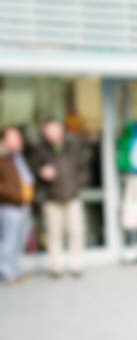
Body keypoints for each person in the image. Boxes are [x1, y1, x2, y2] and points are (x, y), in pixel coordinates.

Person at [29, 118, 88, 278]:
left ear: (61, 130)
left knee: (76, 233)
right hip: (52, 199)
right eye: (48, 132)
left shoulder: (73, 146)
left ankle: (76, 266)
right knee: (54, 235)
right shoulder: (40, 150)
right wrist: (42, 174)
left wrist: (78, 185)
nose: (51, 135)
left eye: (54, 130)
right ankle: (56, 267)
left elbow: (82, 169)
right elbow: (32, 171)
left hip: (72, 197)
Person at [0, 126, 35, 282]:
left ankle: (15, 270)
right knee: (8, 241)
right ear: (3, 141)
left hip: (24, 205)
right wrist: (12, 194)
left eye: (19, 137)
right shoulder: (2, 158)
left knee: (19, 240)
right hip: (10, 205)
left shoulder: (19, 156)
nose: (18, 141)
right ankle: (7, 273)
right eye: (14, 138)